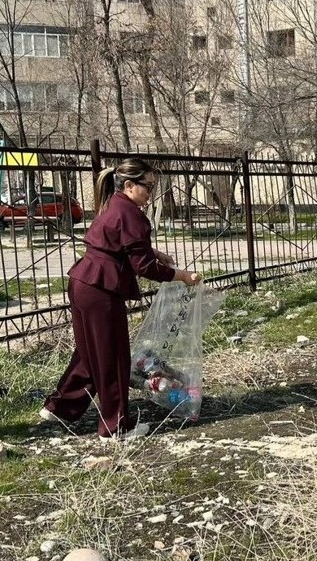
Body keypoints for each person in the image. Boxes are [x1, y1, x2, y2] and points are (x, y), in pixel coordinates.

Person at [41, 158, 200, 439]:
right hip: (100, 291)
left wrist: (156, 253)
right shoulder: (132, 214)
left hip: (83, 283)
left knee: (91, 352)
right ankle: (115, 428)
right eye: (147, 187)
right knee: (112, 357)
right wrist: (181, 275)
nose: (151, 193)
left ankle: (60, 407)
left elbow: (125, 247)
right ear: (129, 185)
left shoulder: (116, 204)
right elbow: (144, 267)